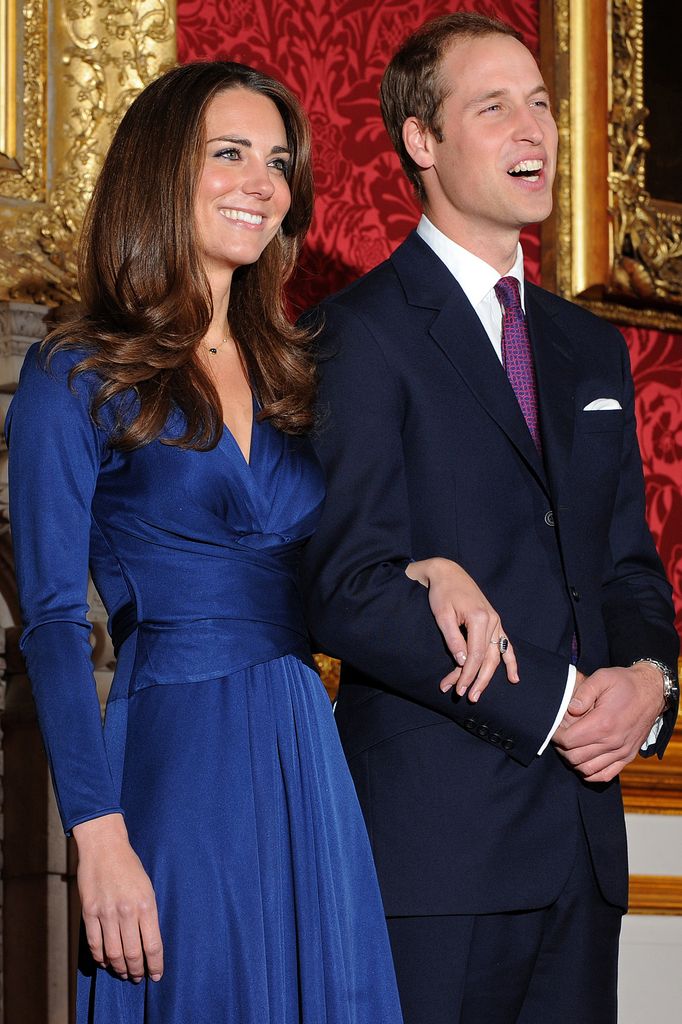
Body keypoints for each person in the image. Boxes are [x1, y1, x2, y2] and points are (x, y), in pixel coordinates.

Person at [6, 60, 423, 1024]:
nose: (262, 183)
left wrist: (427, 568)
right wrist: (98, 836)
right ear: (160, 171)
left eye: (277, 162)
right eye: (228, 154)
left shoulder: (296, 376)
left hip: (304, 747)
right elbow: (55, 623)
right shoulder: (74, 372)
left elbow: (338, 566)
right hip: (174, 754)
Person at [300, 13, 680, 1024]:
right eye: (495, 106)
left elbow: (626, 568)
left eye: (544, 104)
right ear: (420, 142)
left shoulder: (587, 347)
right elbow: (348, 586)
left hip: (584, 847)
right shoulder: (353, 334)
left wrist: (650, 683)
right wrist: (556, 706)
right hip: (439, 854)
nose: (535, 130)